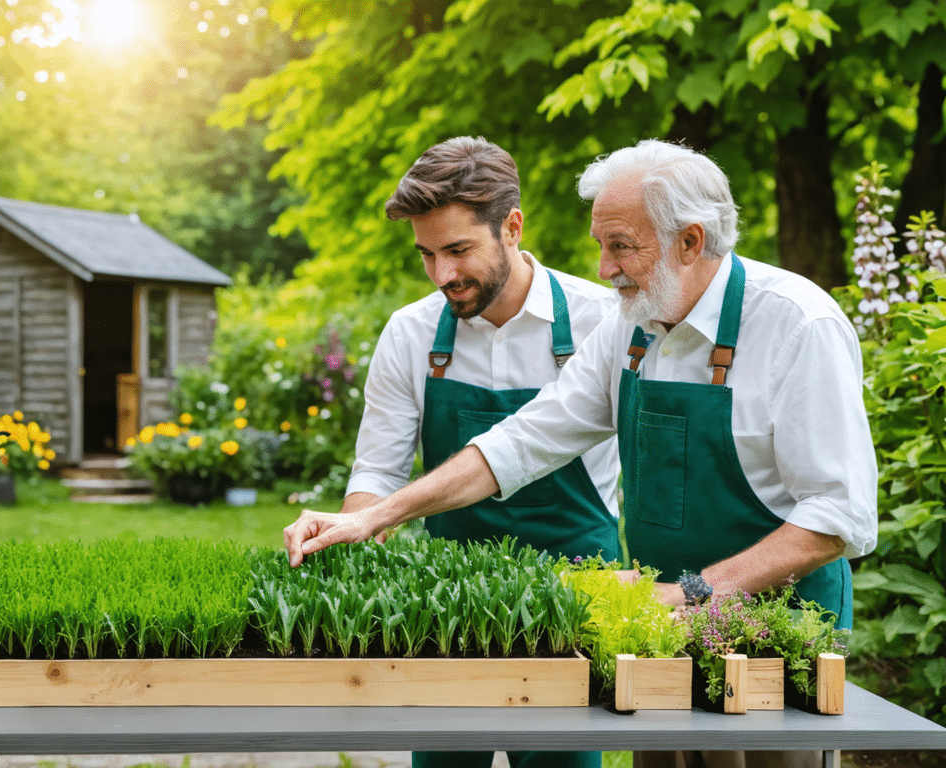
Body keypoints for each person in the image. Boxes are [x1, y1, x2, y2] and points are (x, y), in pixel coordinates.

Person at [284, 140, 877, 768]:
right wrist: (374, 516)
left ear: (690, 241)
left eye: (620, 245)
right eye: (602, 244)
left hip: (774, 633)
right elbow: (523, 439)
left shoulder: (797, 325)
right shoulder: (636, 325)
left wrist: (696, 592)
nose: (602, 267)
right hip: (660, 634)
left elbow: (837, 517)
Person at [345, 136, 620, 768]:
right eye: (427, 255)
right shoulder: (412, 334)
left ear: (512, 227)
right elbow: (376, 472)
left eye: (459, 250)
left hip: (572, 597)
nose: (442, 274)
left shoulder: (604, 322)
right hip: (448, 606)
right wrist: (359, 525)